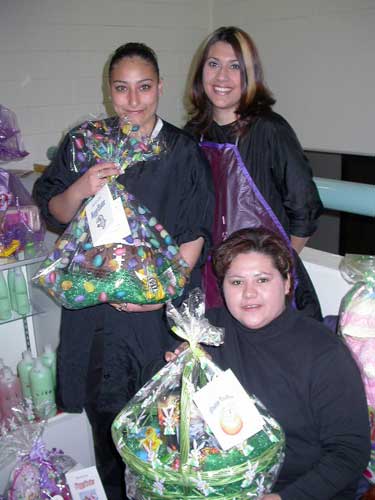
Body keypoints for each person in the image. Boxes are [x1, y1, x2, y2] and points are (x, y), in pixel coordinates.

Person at [33, 42, 214, 499]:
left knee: (165, 431)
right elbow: (54, 210)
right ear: (108, 90)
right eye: (122, 88)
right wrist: (81, 187)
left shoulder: (181, 151)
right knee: (109, 433)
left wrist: (156, 294)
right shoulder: (85, 142)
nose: (133, 100)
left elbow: (194, 233)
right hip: (96, 319)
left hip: (156, 318)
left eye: (144, 87)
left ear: (160, 88)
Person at [185, 26, 324, 320]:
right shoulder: (192, 135)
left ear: (250, 75)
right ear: (201, 72)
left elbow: (305, 208)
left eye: (235, 66)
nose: (222, 76)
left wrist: (274, 269)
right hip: (211, 283)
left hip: (266, 286)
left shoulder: (269, 130)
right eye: (213, 64)